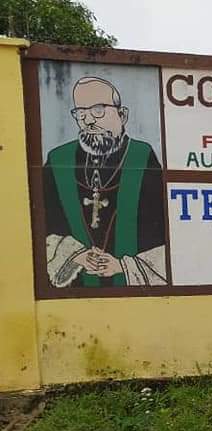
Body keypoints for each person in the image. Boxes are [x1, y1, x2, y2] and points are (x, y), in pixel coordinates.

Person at [42, 76, 167, 288]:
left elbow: (163, 228)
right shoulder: (58, 159)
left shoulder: (142, 156)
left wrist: (122, 266)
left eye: (98, 110)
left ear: (122, 115)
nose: (88, 120)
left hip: (132, 294)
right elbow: (40, 222)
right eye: (81, 113)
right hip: (74, 290)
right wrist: (76, 255)